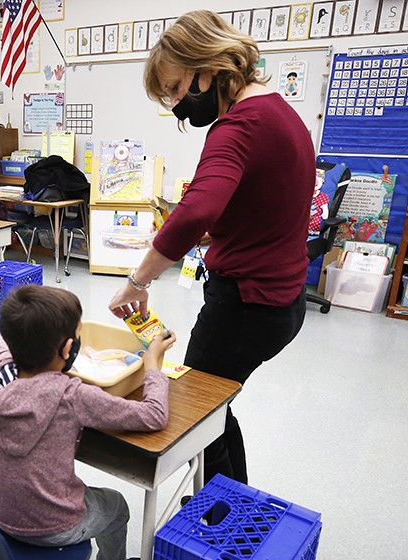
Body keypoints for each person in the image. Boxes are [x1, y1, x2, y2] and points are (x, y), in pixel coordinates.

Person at [108, 10, 313, 485]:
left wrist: (137, 281)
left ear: (207, 64)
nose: (178, 105)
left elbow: (199, 209)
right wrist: (215, 233)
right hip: (283, 300)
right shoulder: (280, 112)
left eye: (178, 89)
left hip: (246, 305)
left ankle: (217, 525)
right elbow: (266, 206)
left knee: (195, 414)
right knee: (214, 408)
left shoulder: (237, 126)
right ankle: (231, 507)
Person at [0, 285, 176, 560]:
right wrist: (152, 366)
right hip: (56, 526)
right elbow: (153, 415)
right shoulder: (72, 395)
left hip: (3, 511)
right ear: (67, 349)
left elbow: (6, 338)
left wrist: (30, 322)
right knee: (117, 507)